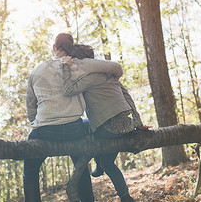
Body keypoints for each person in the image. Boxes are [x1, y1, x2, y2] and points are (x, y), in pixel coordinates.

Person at [60, 44, 143, 202]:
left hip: (109, 128)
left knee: (82, 125)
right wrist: (137, 123)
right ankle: (125, 196)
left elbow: (67, 91)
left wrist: (65, 67)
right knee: (108, 162)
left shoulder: (88, 78)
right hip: (127, 124)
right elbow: (128, 100)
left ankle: (96, 159)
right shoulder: (110, 75)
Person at [23, 33, 97, 202]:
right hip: (74, 129)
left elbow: (31, 107)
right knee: (81, 165)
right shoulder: (76, 67)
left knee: (30, 170)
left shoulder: (37, 70)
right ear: (71, 48)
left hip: (45, 131)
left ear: (54, 48)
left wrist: (37, 123)